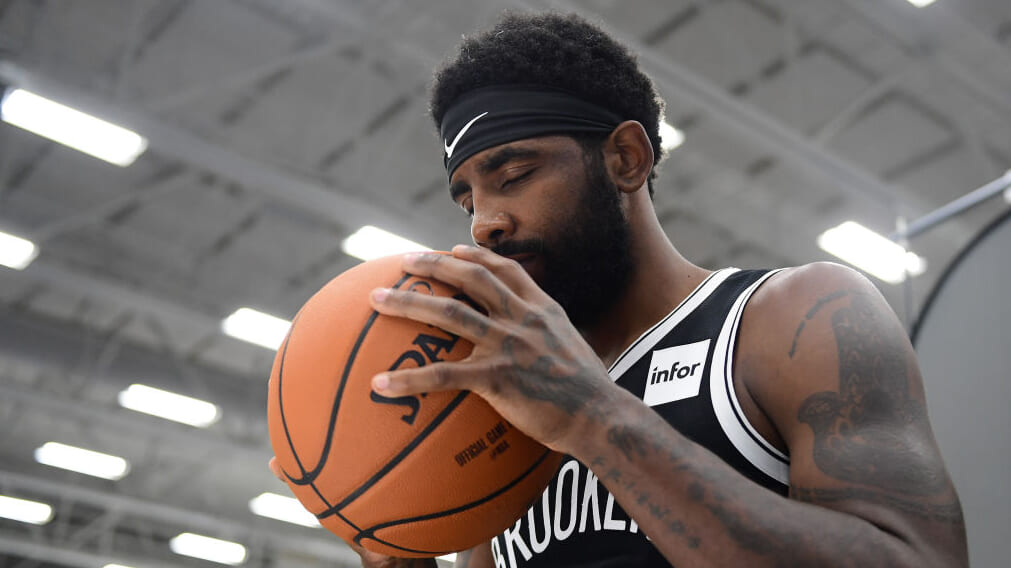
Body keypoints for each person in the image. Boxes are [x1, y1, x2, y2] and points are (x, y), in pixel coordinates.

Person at [272, 11, 968, 568]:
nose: (485, 221)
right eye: (466, 199)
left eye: (512, 174)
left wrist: (595, 420)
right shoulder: (493, 419)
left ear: (625, 158)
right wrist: (395, 548)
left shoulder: (793, 317)